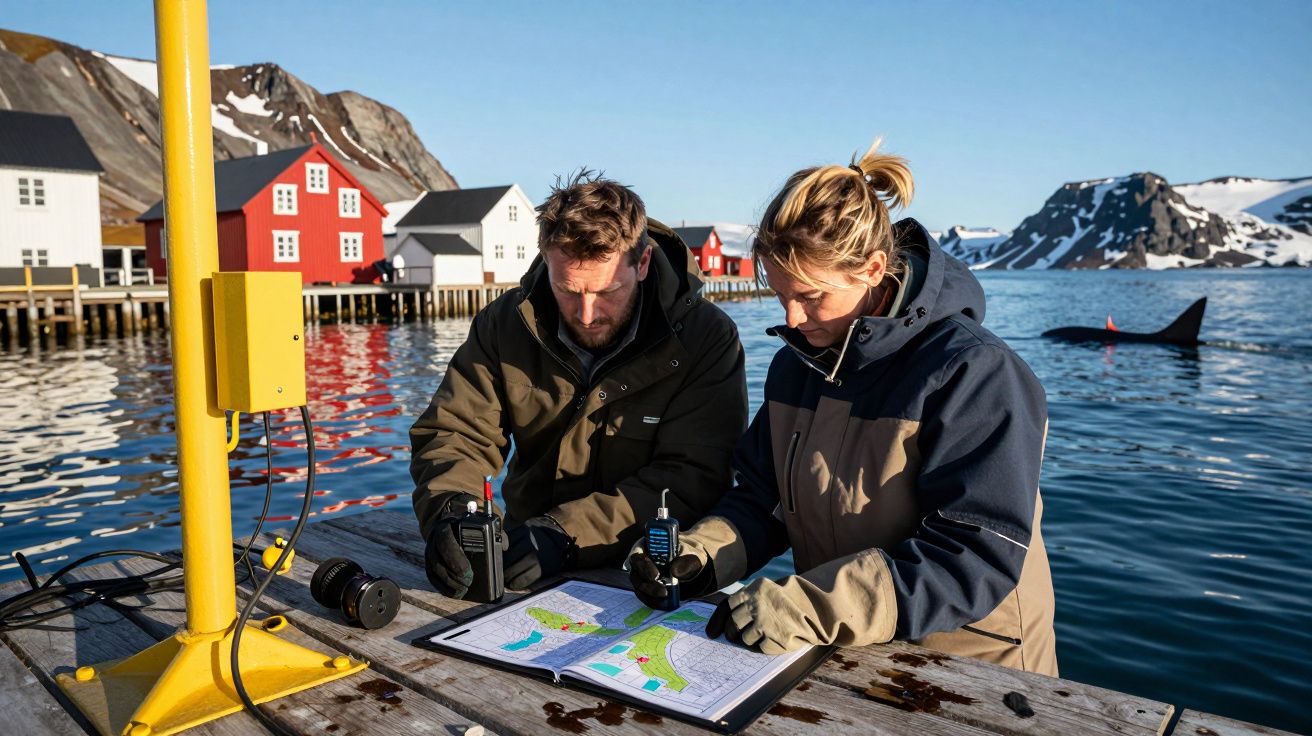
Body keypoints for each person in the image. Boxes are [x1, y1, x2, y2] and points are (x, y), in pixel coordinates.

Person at [628, 142, 1058, 675]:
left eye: (810, 296)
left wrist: (815, 605)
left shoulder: (977, 372)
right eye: (779, 293)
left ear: (874, 269)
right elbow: (764, 498)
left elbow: (975, 554)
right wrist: (702, 555)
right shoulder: (797, 364)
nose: (792, 316)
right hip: (848, 652)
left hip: (970, 666)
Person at [412, 172, 748, 597]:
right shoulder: (505, 324)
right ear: (545, 260)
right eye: (567, 290)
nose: (587, 314)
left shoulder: (705, 338)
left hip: (652, 569)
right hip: (523, 558)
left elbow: (694, 475)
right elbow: (455, 431)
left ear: (642, 263)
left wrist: (562, 535)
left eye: (607, 291)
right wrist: (452, 510)